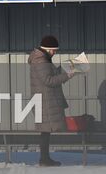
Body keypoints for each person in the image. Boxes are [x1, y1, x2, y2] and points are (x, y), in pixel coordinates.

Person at [29, 35, 77, 166]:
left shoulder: (41, 59)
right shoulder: (41, 60)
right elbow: (49, 80)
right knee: (45, 131)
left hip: (44, 100)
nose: (54, 53)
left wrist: (65, 67)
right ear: (47, 49)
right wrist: (67, 75)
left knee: (45, 131)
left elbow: (49, 74)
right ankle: (44, 159)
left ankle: (45, 159)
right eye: (54, 50)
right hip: (45, 101)